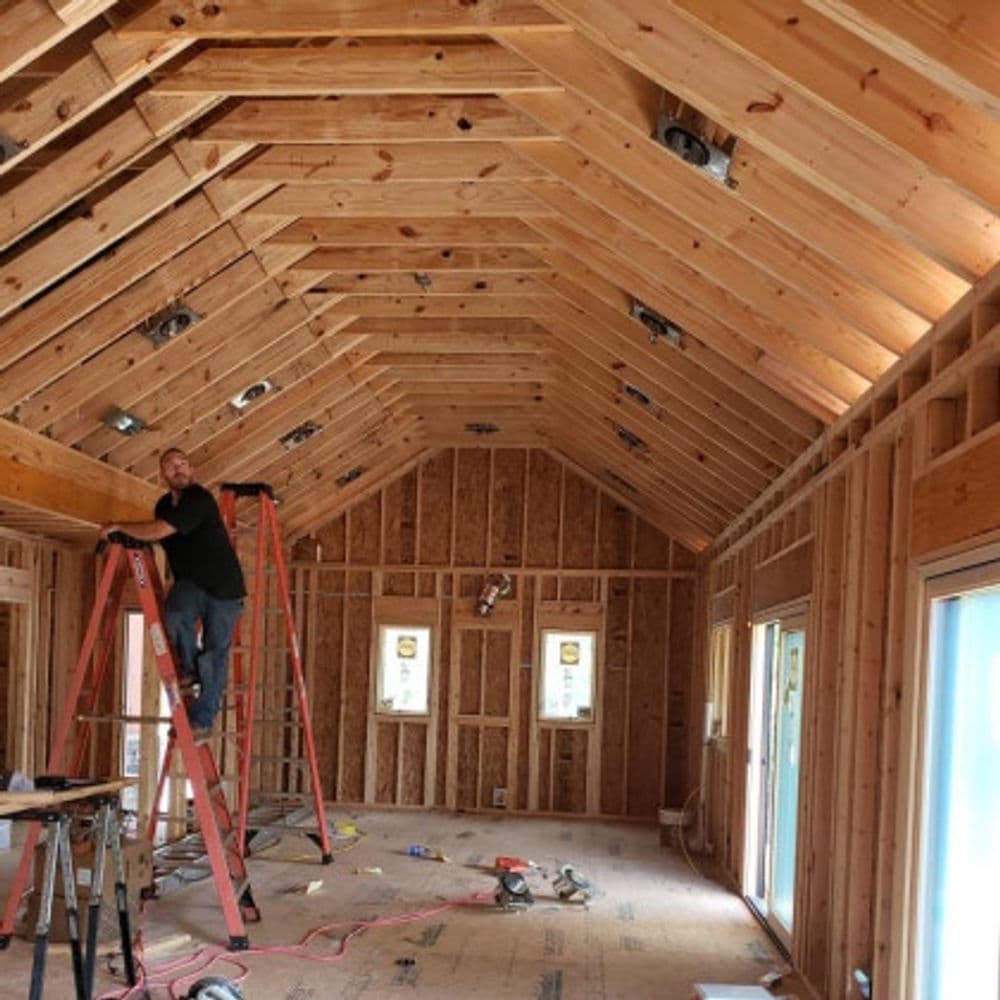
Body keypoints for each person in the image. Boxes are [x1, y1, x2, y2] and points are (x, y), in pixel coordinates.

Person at [100, 447, 245, 739]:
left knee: (214, 654)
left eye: (182, 464)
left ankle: (202, 719)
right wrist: (128, 536)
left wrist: (119, 526)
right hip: (192, 582)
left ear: (191, 470)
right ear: (162, 475)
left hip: (224, 588)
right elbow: (159, 535)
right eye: (170, 466)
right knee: (175, 613)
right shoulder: (163, 505)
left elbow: (159, 531)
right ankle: (188, 670)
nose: (177, 469)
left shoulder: (198, 499)